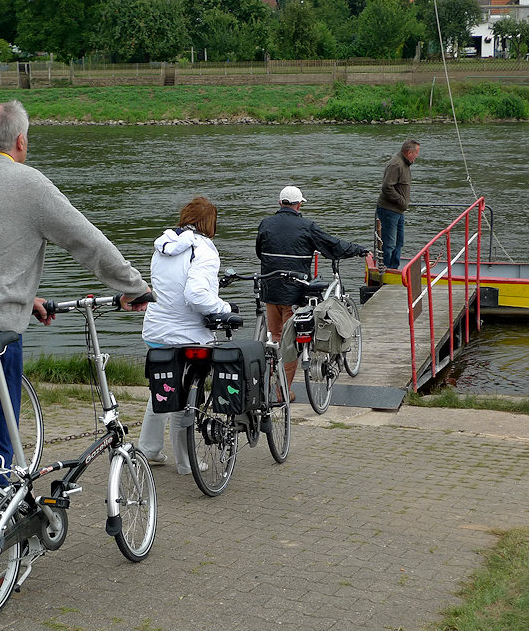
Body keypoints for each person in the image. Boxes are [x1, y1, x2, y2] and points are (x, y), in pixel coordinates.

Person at [0, 99, 150, 473]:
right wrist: (134, 286)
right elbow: (87, 241)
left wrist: (25, 298)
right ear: (20, 141)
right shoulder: (29, 183)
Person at [139, 197, 234, 474]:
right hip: (188, 335)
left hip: (156, 330)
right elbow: (196, 296)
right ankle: (185, 462)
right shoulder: (204, 249)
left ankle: (149, 449)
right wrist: (225, 307)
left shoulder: (162, 246)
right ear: (209, 223)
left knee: (162, 387)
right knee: (187, 392)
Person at [255, 186, 368, 394]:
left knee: (275, 339)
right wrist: (358, 250)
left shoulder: (265, 224)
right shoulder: (306, 226)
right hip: (294, 295)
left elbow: (259, 253)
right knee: (290, 344)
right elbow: (333, 245)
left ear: (280, 203)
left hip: (270, 291)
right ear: (299, 205)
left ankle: (264, 385)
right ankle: (282, 392)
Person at [376, 139, 420, 270]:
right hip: (389, 210)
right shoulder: (396, 164)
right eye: (416, 153)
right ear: (409, 153)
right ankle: (387, 269)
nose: (417, 156)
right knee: (389, 243)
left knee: (399, 243)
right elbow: (387, 187)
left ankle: (394, 268)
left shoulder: (405, 164)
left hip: (399, 210)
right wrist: (401, 201)